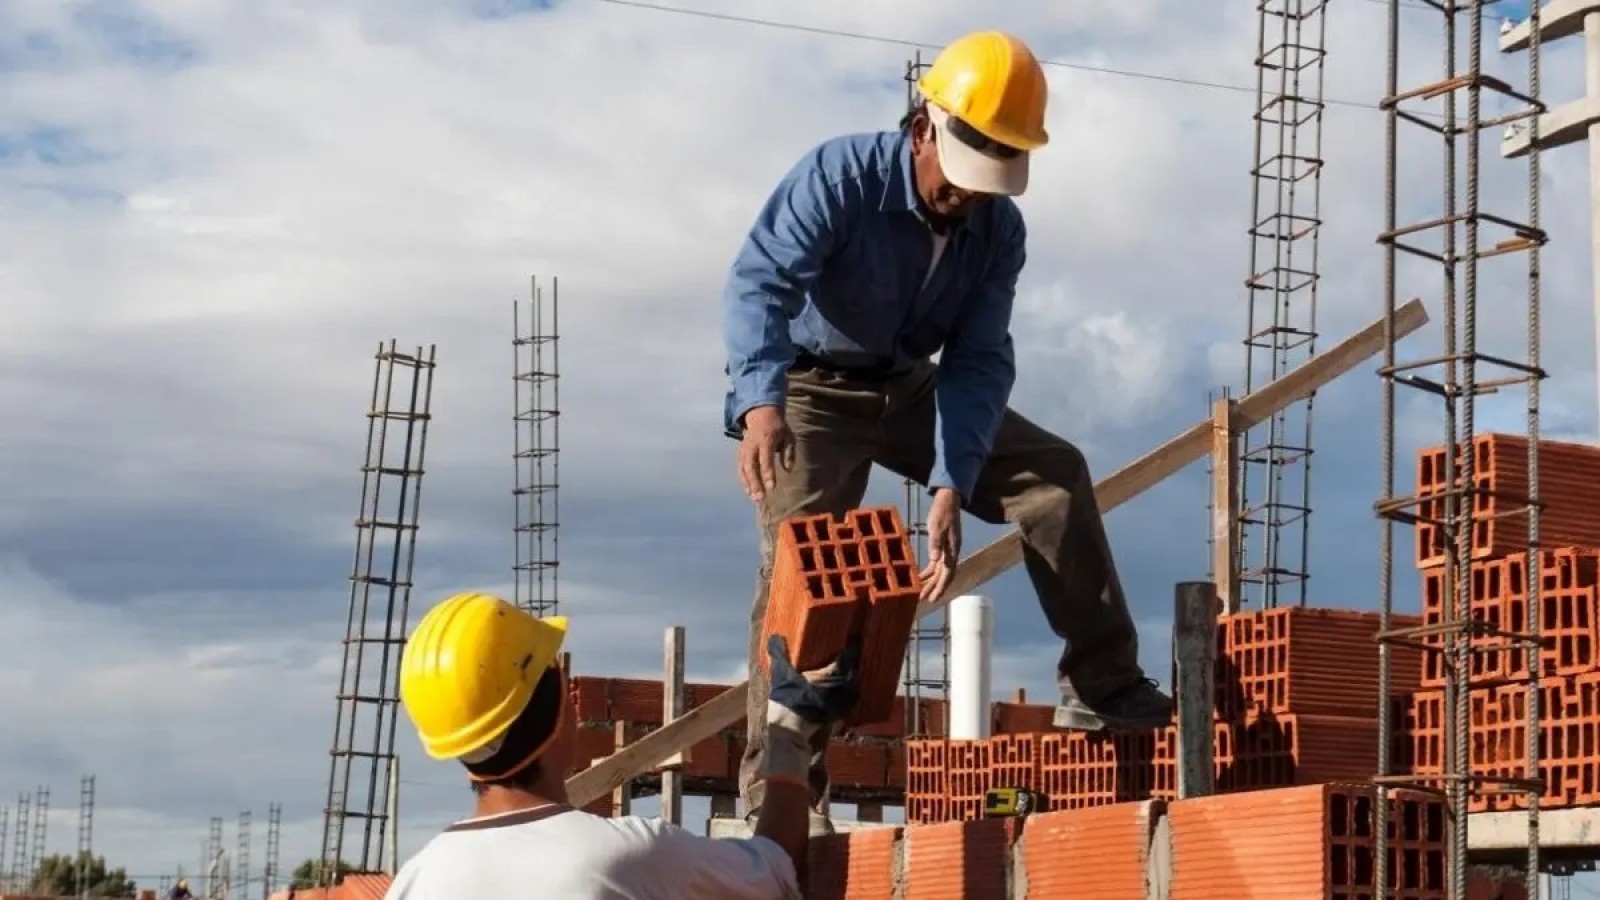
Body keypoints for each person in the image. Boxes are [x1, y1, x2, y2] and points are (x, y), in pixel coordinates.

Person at [721, 29, 1175, 825]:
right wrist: (761, 405)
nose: (969, 195)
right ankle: (783, 787)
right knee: (810, 568)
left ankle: (1102, 685)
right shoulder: (840, 177)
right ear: (924, 127)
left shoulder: (998, 232)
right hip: (810, 391)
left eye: (992, 177)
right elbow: (759, 284)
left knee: (1053, 476)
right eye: (964, 174)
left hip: (909, 385)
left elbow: (978, 362)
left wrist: (948, 482)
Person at [384, 591, 862, 900]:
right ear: (555, 711)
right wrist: (789, 733)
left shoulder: (415, 881)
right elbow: (775, 870)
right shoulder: (626, 857)